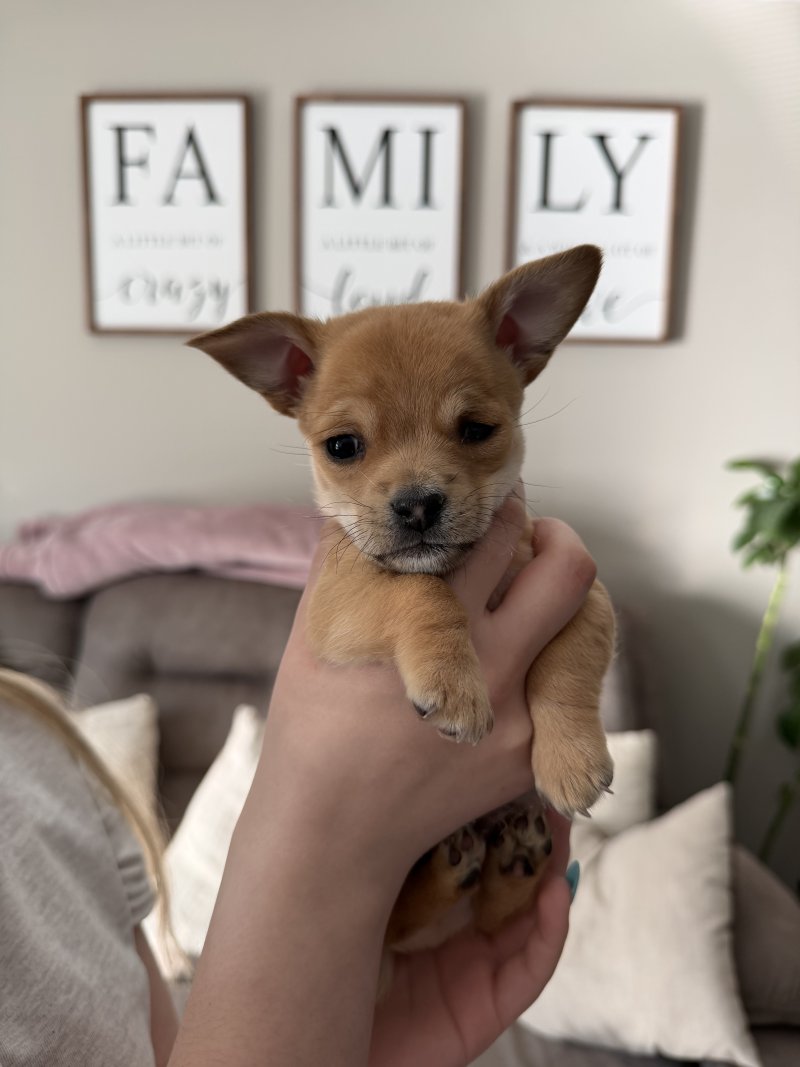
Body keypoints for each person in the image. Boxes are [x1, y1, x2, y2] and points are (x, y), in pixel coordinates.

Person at [0, 496, 594, 1067]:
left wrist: (328, 1042)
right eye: (345, 446)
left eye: (473, 436)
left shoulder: (37, 736)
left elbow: (162, 1049)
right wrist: (326, 836)